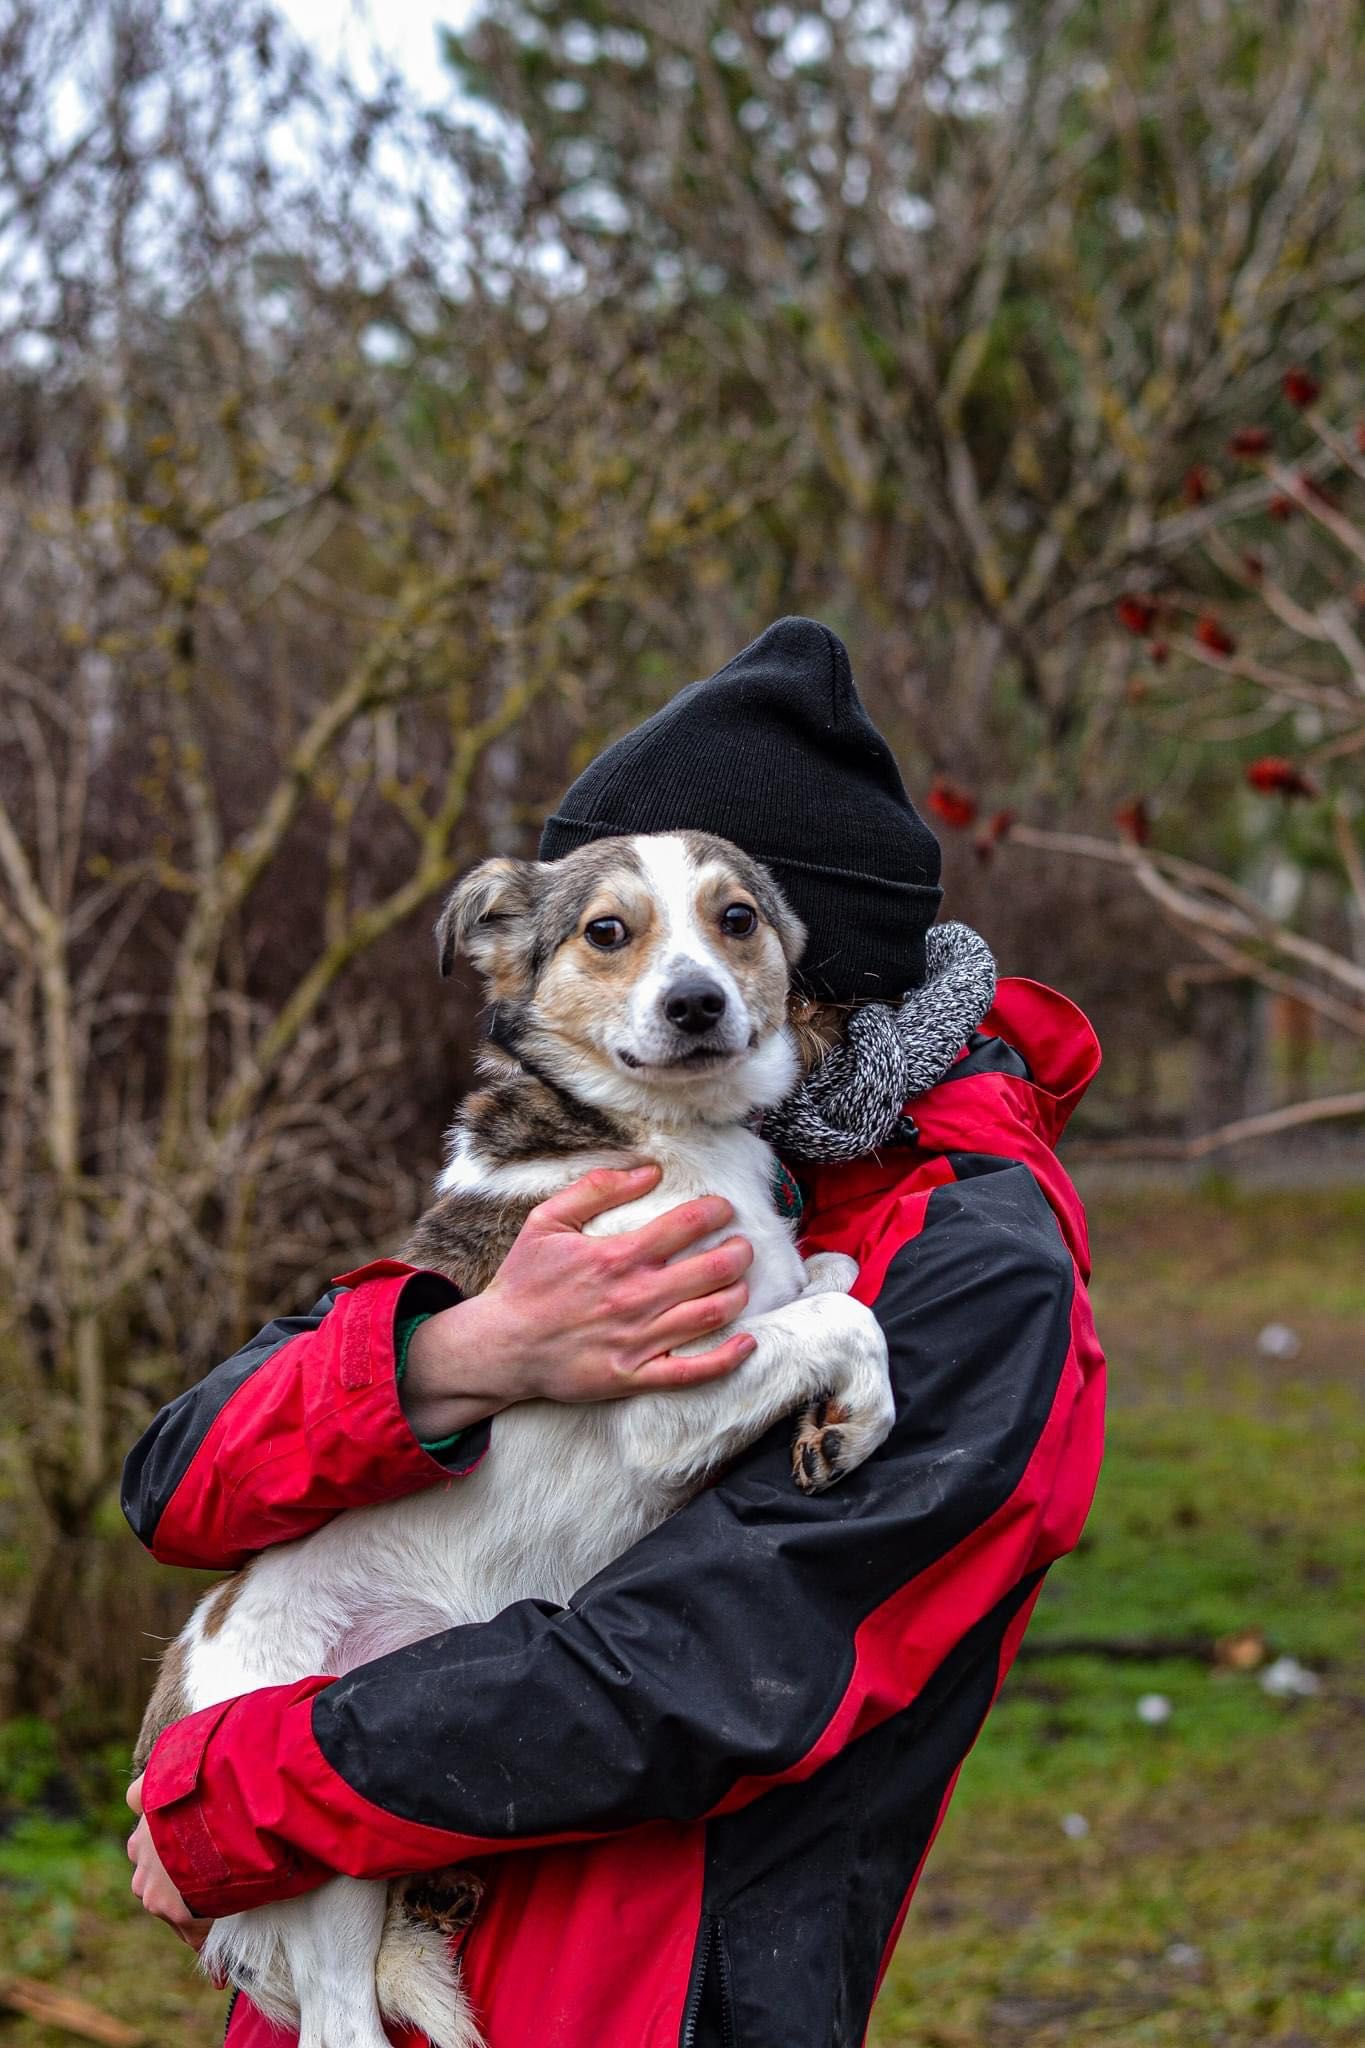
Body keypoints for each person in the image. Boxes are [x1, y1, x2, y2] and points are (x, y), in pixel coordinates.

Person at [122, 617, 1105, 2048]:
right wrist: (460, 1356)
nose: (674, 982)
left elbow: (698, 1676)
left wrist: (244, 1795)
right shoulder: (573, 1171)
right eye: (607, 935)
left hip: (634, 1991)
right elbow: (179, 1474)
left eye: (725, 924)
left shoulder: (975, 1267)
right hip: (357, 1911)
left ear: (805, 963)